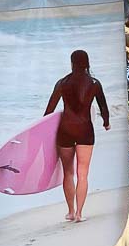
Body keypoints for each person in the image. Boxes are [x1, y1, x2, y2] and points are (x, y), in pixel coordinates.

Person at [44, 49, 110, 222]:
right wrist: (106, 123)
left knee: (67, 173)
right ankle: (80, 213)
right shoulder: (94, 83)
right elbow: (103, 107)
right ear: (87, 63)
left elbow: (49, 110)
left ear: (72, 63)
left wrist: (42, 131)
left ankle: (70, 211)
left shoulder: (62, 83)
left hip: (65, 130)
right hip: (85, 131)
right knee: (83, 173)